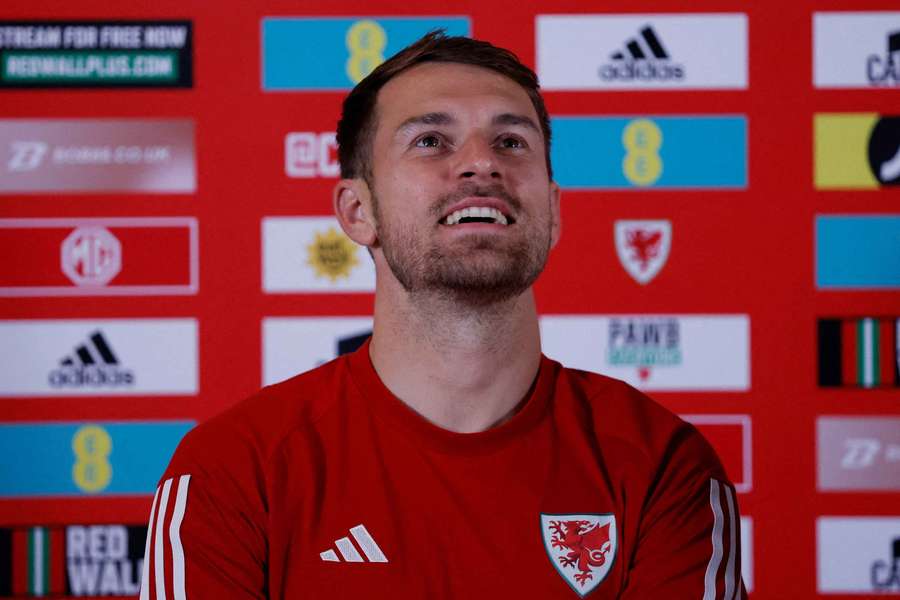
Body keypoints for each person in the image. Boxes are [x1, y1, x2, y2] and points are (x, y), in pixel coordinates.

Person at [139, 31, 746, 599]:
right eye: (431, 141)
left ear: (554, 212)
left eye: (511, 142)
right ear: (357, 210)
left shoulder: (662, 465)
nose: (481, 164)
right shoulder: (232, 472)